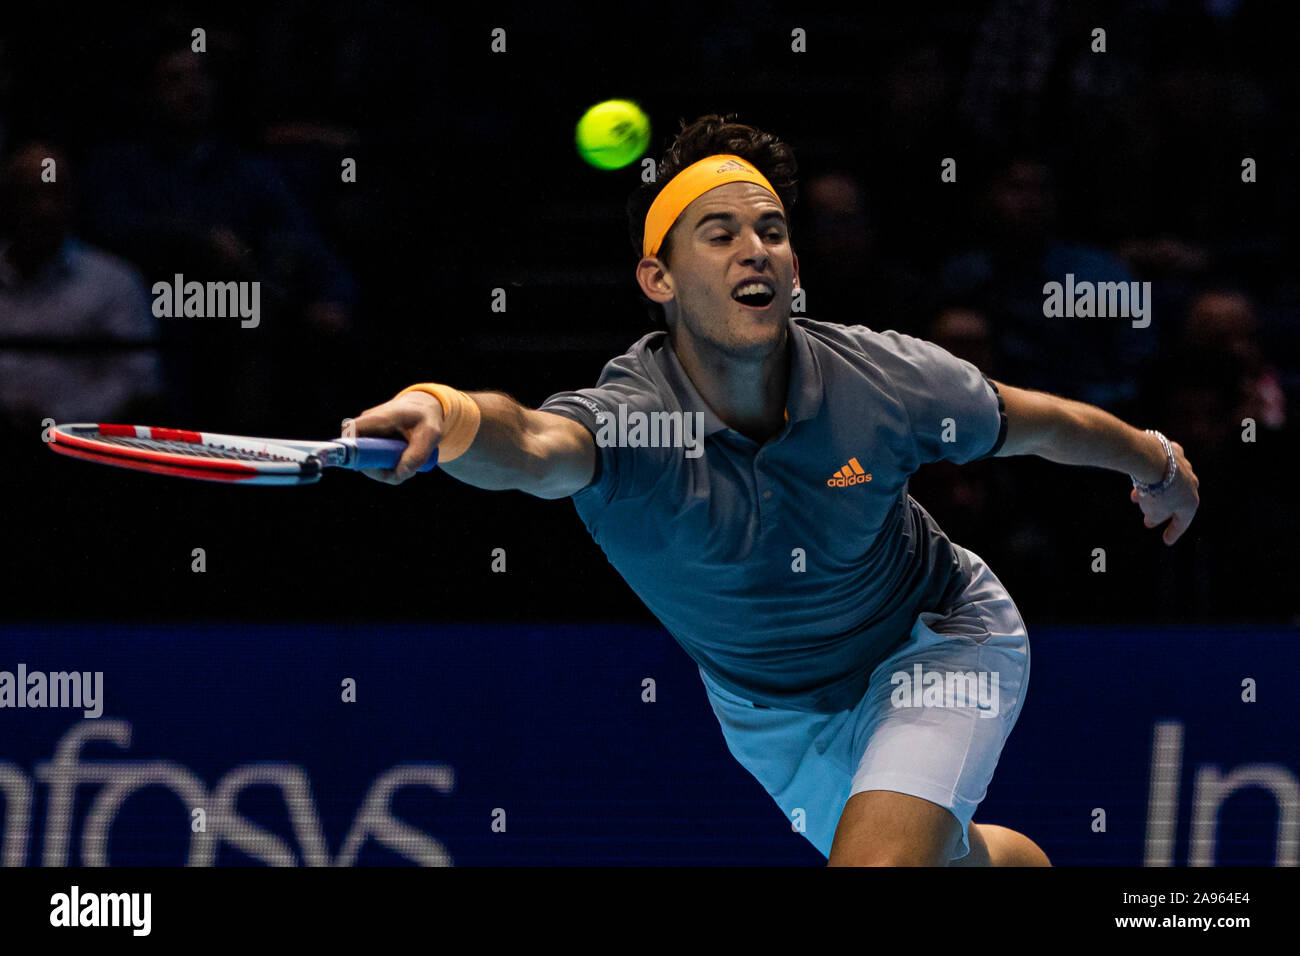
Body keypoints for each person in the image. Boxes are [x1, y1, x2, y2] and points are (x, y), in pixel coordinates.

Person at [348, 115, 1199, 866]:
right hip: (770, 718)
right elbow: (532, 443)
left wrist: (1155, 461)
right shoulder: (637, 426)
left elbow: (1034, 421)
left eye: (771, 230)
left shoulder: (883, 379)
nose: (754, 248)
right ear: (660, 280)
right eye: (717, 234)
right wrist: (444, 410)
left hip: (934, 639)